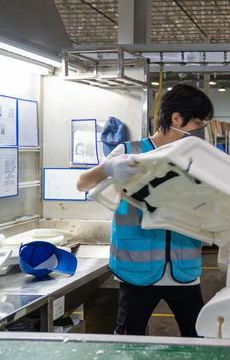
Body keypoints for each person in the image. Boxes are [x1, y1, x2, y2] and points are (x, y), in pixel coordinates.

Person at [77, 84, 214, 337]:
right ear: (176, 118)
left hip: (184, 270)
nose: (200, 130)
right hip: (136, 272)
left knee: (200, 341)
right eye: (197, 123)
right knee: (129, 342)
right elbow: (82, 183)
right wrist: (107, 169)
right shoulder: (129, 153)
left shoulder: (198, 159)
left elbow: (210, 203)